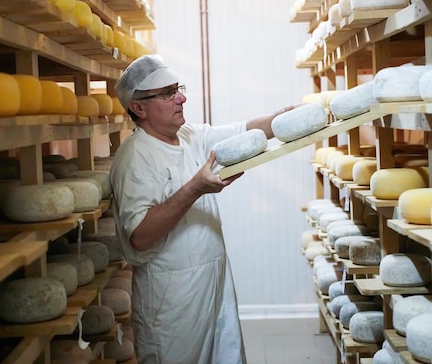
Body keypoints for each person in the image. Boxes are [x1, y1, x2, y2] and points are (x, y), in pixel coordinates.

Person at [109, 54, 295, 364]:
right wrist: (196, 187)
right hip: (172, 300)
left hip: (212, 286)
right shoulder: (135, 157)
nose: (181, 97)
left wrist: (288, 116)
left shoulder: (188, 136)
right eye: (167, 93)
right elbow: (139, 236)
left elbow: (245, 130)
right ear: (138, 108)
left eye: (177, 88)